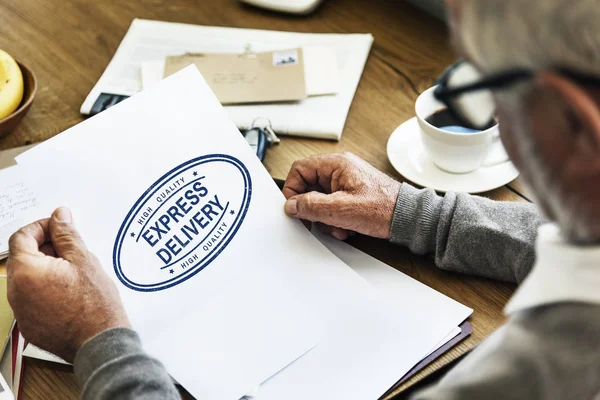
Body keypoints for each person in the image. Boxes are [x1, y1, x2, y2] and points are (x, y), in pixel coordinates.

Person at [7, 0, 600, 398]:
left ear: (577, 121)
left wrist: (97, 342)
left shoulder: (546, 369)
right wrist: (420, 214)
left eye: (484, 88)